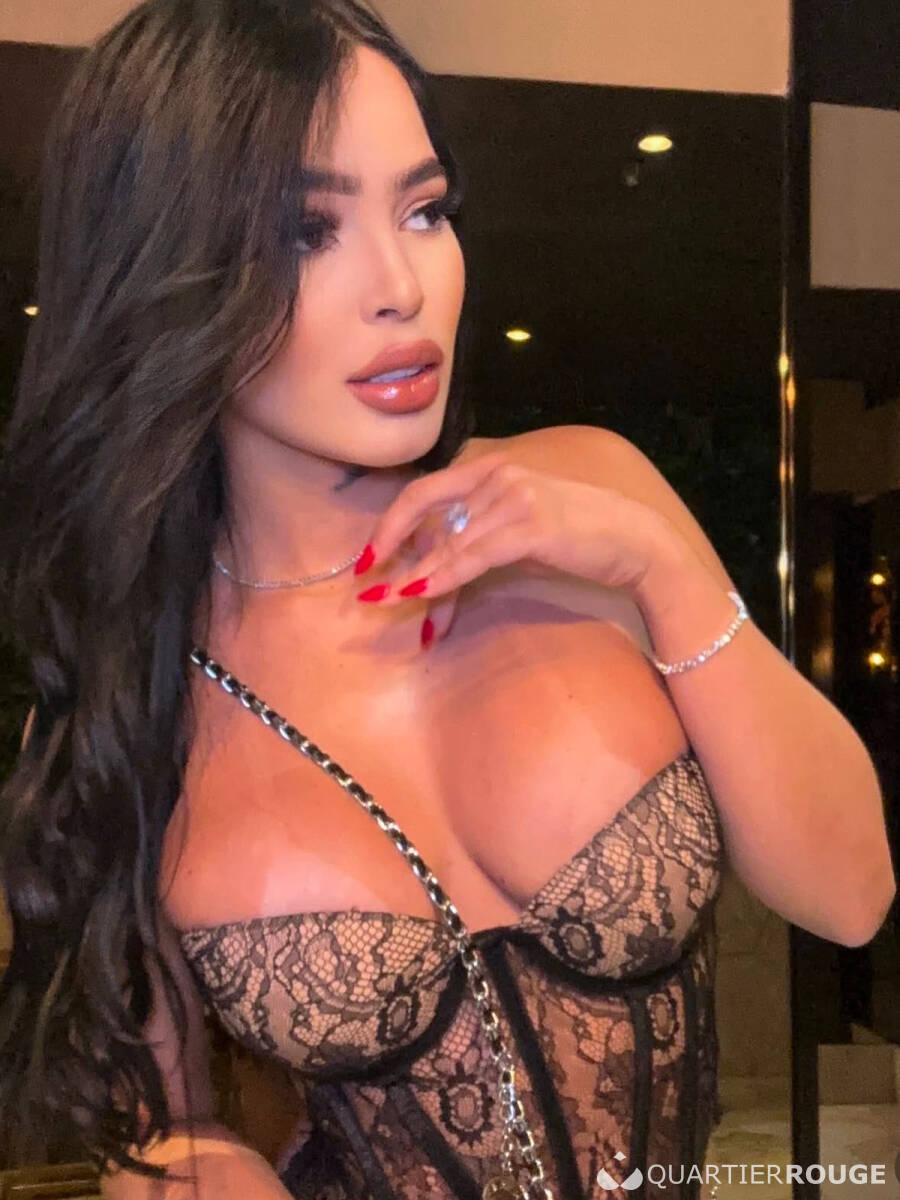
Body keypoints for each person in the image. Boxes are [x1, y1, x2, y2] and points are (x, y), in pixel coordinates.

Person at [0, 1, 894, 1198]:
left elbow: (851, 894)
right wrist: (190, 1168)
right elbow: (166, 1127)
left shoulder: (592, 496)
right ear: (166, 273)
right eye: (308, 231)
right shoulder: (136, 682)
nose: (400, 285)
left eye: (424, 211)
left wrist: (663, 570)